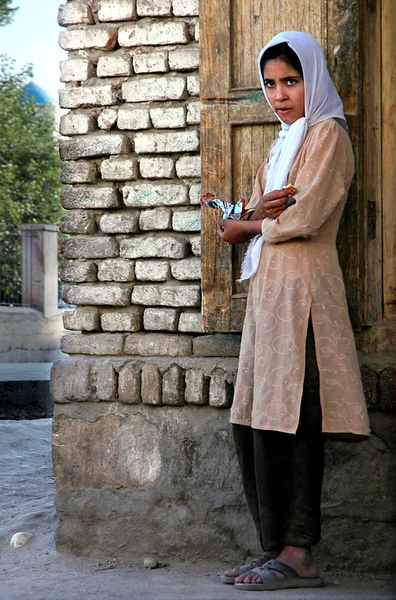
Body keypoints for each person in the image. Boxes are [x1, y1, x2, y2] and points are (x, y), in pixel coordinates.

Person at [217, 31, 370, 592]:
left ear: (314, 80)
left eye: (291, 80)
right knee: (258, 419)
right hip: (268, 294)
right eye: (270, 84)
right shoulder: (282, 144)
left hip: (304, 293)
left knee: (297, 418)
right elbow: (251, 212)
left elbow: (302, 219)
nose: (279, 94)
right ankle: (274, 547)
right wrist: (246, 215)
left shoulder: (328, 135)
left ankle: (301, 552)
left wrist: (249, 224)